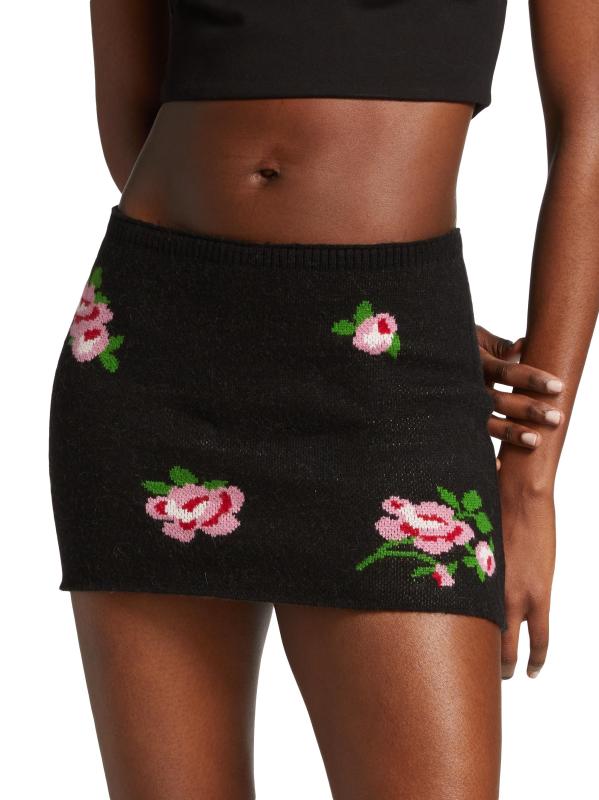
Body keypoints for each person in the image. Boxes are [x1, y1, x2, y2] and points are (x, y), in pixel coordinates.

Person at [48, 1, 598, 798]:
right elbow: (132, 105)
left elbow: (588, 127)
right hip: (157, 347)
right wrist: (289, 297)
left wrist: (529, 481)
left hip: (391, 376)